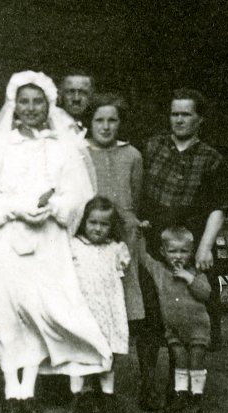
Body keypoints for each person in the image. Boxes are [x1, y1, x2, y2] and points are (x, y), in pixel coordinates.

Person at [0, 71, 112, 413]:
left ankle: (29, 390)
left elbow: (79, 193)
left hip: (47, 238)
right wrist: (15, 208)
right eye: (24, 101)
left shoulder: (60, 146)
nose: (31, 108)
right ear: (14, 106)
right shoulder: (2, 144)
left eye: (38, 102)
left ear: (49, 104)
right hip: (6, 237)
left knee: (39, 311)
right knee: (9, 311)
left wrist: (54, 207)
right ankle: (11, 390)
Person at [138, 88, 228, 410]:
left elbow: (219, 207)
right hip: (154, 245)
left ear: (199, 119)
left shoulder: (211, 158)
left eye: (186, 114)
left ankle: (184, 392)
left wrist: (204, 247)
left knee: (187, 321)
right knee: (151, 317)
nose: (179, 119)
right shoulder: (152, 147)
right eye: (175, 113)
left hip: (187, 247)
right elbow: (137, 192)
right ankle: (149, 385)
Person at [83, 93, 145, 336]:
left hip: (123, 238)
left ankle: (112, 369)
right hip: (90, 234)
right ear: (90, 122)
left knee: (119, 308)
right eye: (99, 120)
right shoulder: (80, 152)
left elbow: (134, 198)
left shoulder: (132, 155)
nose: (106, 127)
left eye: (112, 120)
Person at [139, 227, 212, 413]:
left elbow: (205, 293)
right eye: (172, 251)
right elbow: (144, 257)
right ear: (163, 252)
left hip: (197, 329)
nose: (178, 256)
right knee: (180, 363)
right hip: (174, 331)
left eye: (183, 251)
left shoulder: (196, 272)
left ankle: (195, 399)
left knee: (195, 362)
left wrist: (189, 278)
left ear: (191, 252)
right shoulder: (161, 272)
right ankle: (180, 396)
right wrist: (138, 233)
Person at [70, 197, 130, 413]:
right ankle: (79, 396)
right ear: (84, 222)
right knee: (80, 353)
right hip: (83, 309)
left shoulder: (115, 249)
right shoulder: (74, 246)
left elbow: (120, 275)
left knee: (106, 354)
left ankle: (107, 397)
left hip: (107, 309)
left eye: (104, 224)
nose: (97, 228)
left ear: (111, 226)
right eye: (92, 222)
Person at [58, 70, 95, 136]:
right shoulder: (52, 126)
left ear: (91, 96)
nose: (76, 98)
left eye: (83, 92)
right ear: (60, 95)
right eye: (70, 92)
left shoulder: (95, 129)